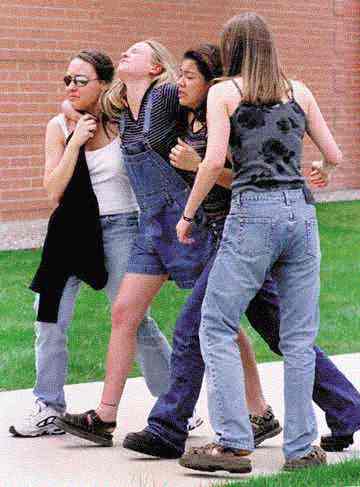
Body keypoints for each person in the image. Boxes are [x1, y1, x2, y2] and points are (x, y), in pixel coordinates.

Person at [123, 43, 360, 460]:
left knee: (194, 327)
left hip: (245, 234)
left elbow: (247, 180)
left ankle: (169, 427)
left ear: (212, 81)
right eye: (179, 76)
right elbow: (146, 123)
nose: (181, 83)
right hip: (229, 236)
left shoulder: (231, 116)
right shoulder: (188, 116)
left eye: (190, 77)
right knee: (280, 333)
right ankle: (348, 408)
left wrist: (198, 172)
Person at [55, 40, 284, 448]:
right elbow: (88, 101)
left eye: (135, 51)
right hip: (151, 227)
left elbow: (210, 106)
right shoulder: (121, 104)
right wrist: (70, 111)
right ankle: (104, 417)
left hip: (187, 223)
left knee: (220, 321)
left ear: (157, 66)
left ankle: (259, 411)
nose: (123, 53)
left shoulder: (167, 96)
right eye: (122, 51)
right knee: (124, 312)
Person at [176, 13, 343, 473]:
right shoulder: (299, 91)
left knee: (215, 324)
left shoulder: (224, 93)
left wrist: (188, 215)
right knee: (299, 338)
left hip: (253, 214)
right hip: (301, 215)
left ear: (231, 48)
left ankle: (232, 443)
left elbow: (211, 164)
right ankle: (303, 450)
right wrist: (322, 173)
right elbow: (334, 155)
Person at [9, 49, 174, 438]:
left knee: (133, 317)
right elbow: (53, 190)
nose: (71, 87)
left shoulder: (122, 122)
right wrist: (74, 142)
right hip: (68, 231)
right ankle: (48, 405)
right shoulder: (59, 126)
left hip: (121, 227)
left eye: (80, 80)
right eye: (67, 80)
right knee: (48, 316)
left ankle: (172, 404)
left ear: (102, 84)